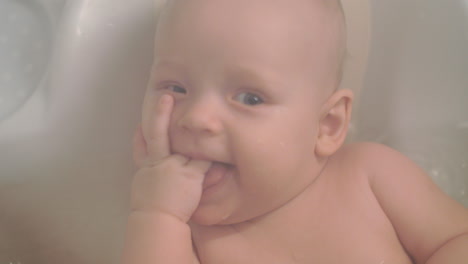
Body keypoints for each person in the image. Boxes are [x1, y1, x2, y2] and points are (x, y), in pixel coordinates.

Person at [121, 0, 468, 263]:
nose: (196, 118)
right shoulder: (186, 237)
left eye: (249, 97)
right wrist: (157, 215)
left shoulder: (372, 176)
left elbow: (457, 239)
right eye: (175, 87)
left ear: (327, 125)